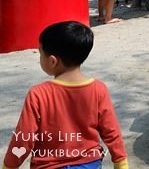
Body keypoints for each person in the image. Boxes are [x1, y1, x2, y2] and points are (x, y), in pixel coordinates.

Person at [2, 22, 128, 169]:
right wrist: (121, 162)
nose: (40, 57)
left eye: (41, 53)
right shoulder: (99, 89)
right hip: (89, 164)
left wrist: (9, 166)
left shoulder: (38, 94)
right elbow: (111, 131)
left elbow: (24, 138)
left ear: (53, 61)